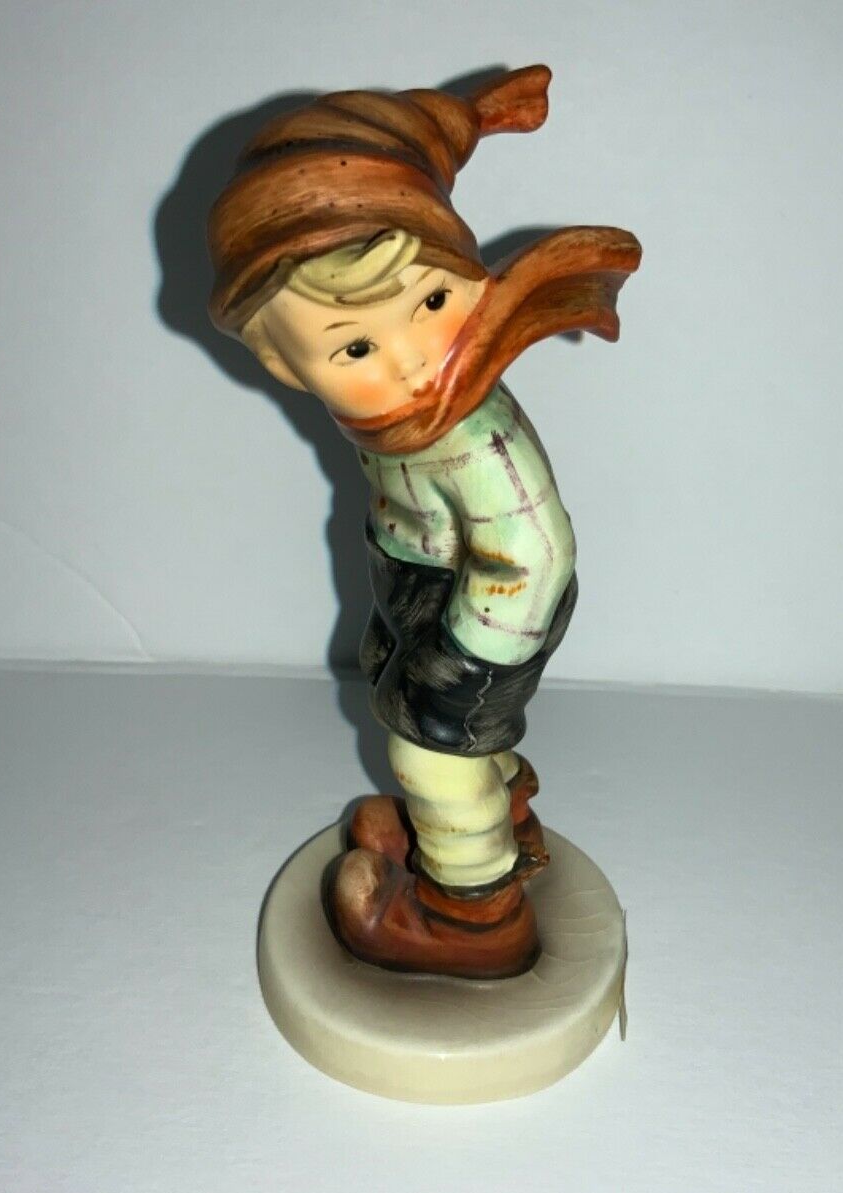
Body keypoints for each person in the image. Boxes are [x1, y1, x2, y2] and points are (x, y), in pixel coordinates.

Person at [206, 64, 640, 977]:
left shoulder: (476, 441)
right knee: (396, 695)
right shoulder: (402, 421)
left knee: (430, 753)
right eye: (356, 346)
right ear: (283, 366)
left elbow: (537, 547)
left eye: (432, 302)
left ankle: (472, 914)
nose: (410, 361)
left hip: (493, 606)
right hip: (421, 572)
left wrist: (467, 669)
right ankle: (494, 810)